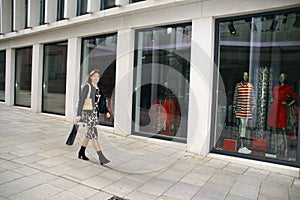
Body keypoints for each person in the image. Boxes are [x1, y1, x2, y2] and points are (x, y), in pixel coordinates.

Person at [76, 69, 111, 165]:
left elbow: (102, 101)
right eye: (94, 76)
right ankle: (101, 157)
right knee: (94, 135)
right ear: (91, 77)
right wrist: (78, 114)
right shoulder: (87, 87)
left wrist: (106, 111)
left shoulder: (98, 88)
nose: (96, 78)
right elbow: (81, 100)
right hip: (88, 113)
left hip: (95, 114)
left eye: (98, 76)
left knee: (89, 133)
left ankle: (81, 152)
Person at [268, 72, 297, 156]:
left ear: (285, 78)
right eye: (280, 77)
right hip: (275, 108)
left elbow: (295, 98)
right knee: (275, 129)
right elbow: (272, 97)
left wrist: (288, 104)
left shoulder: (288, 88)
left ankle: (286, 149)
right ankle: (276, 148)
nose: (281, 78)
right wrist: (272, 101)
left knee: (283, 129)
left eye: (283, 77)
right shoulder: (276, 88)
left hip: (282, 108)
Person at [233, 72, 255, 154]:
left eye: (247, 76)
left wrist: (252, 108)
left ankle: (243, 146)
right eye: (244, 76)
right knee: (241, 127)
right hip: (240, 109)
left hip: (247, 110)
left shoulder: (250, 86)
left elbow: (252, 97)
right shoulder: (238, 86)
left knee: (246, 128)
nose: (246, 77)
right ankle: (241, 146)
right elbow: (235, 97)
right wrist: (234, 108)